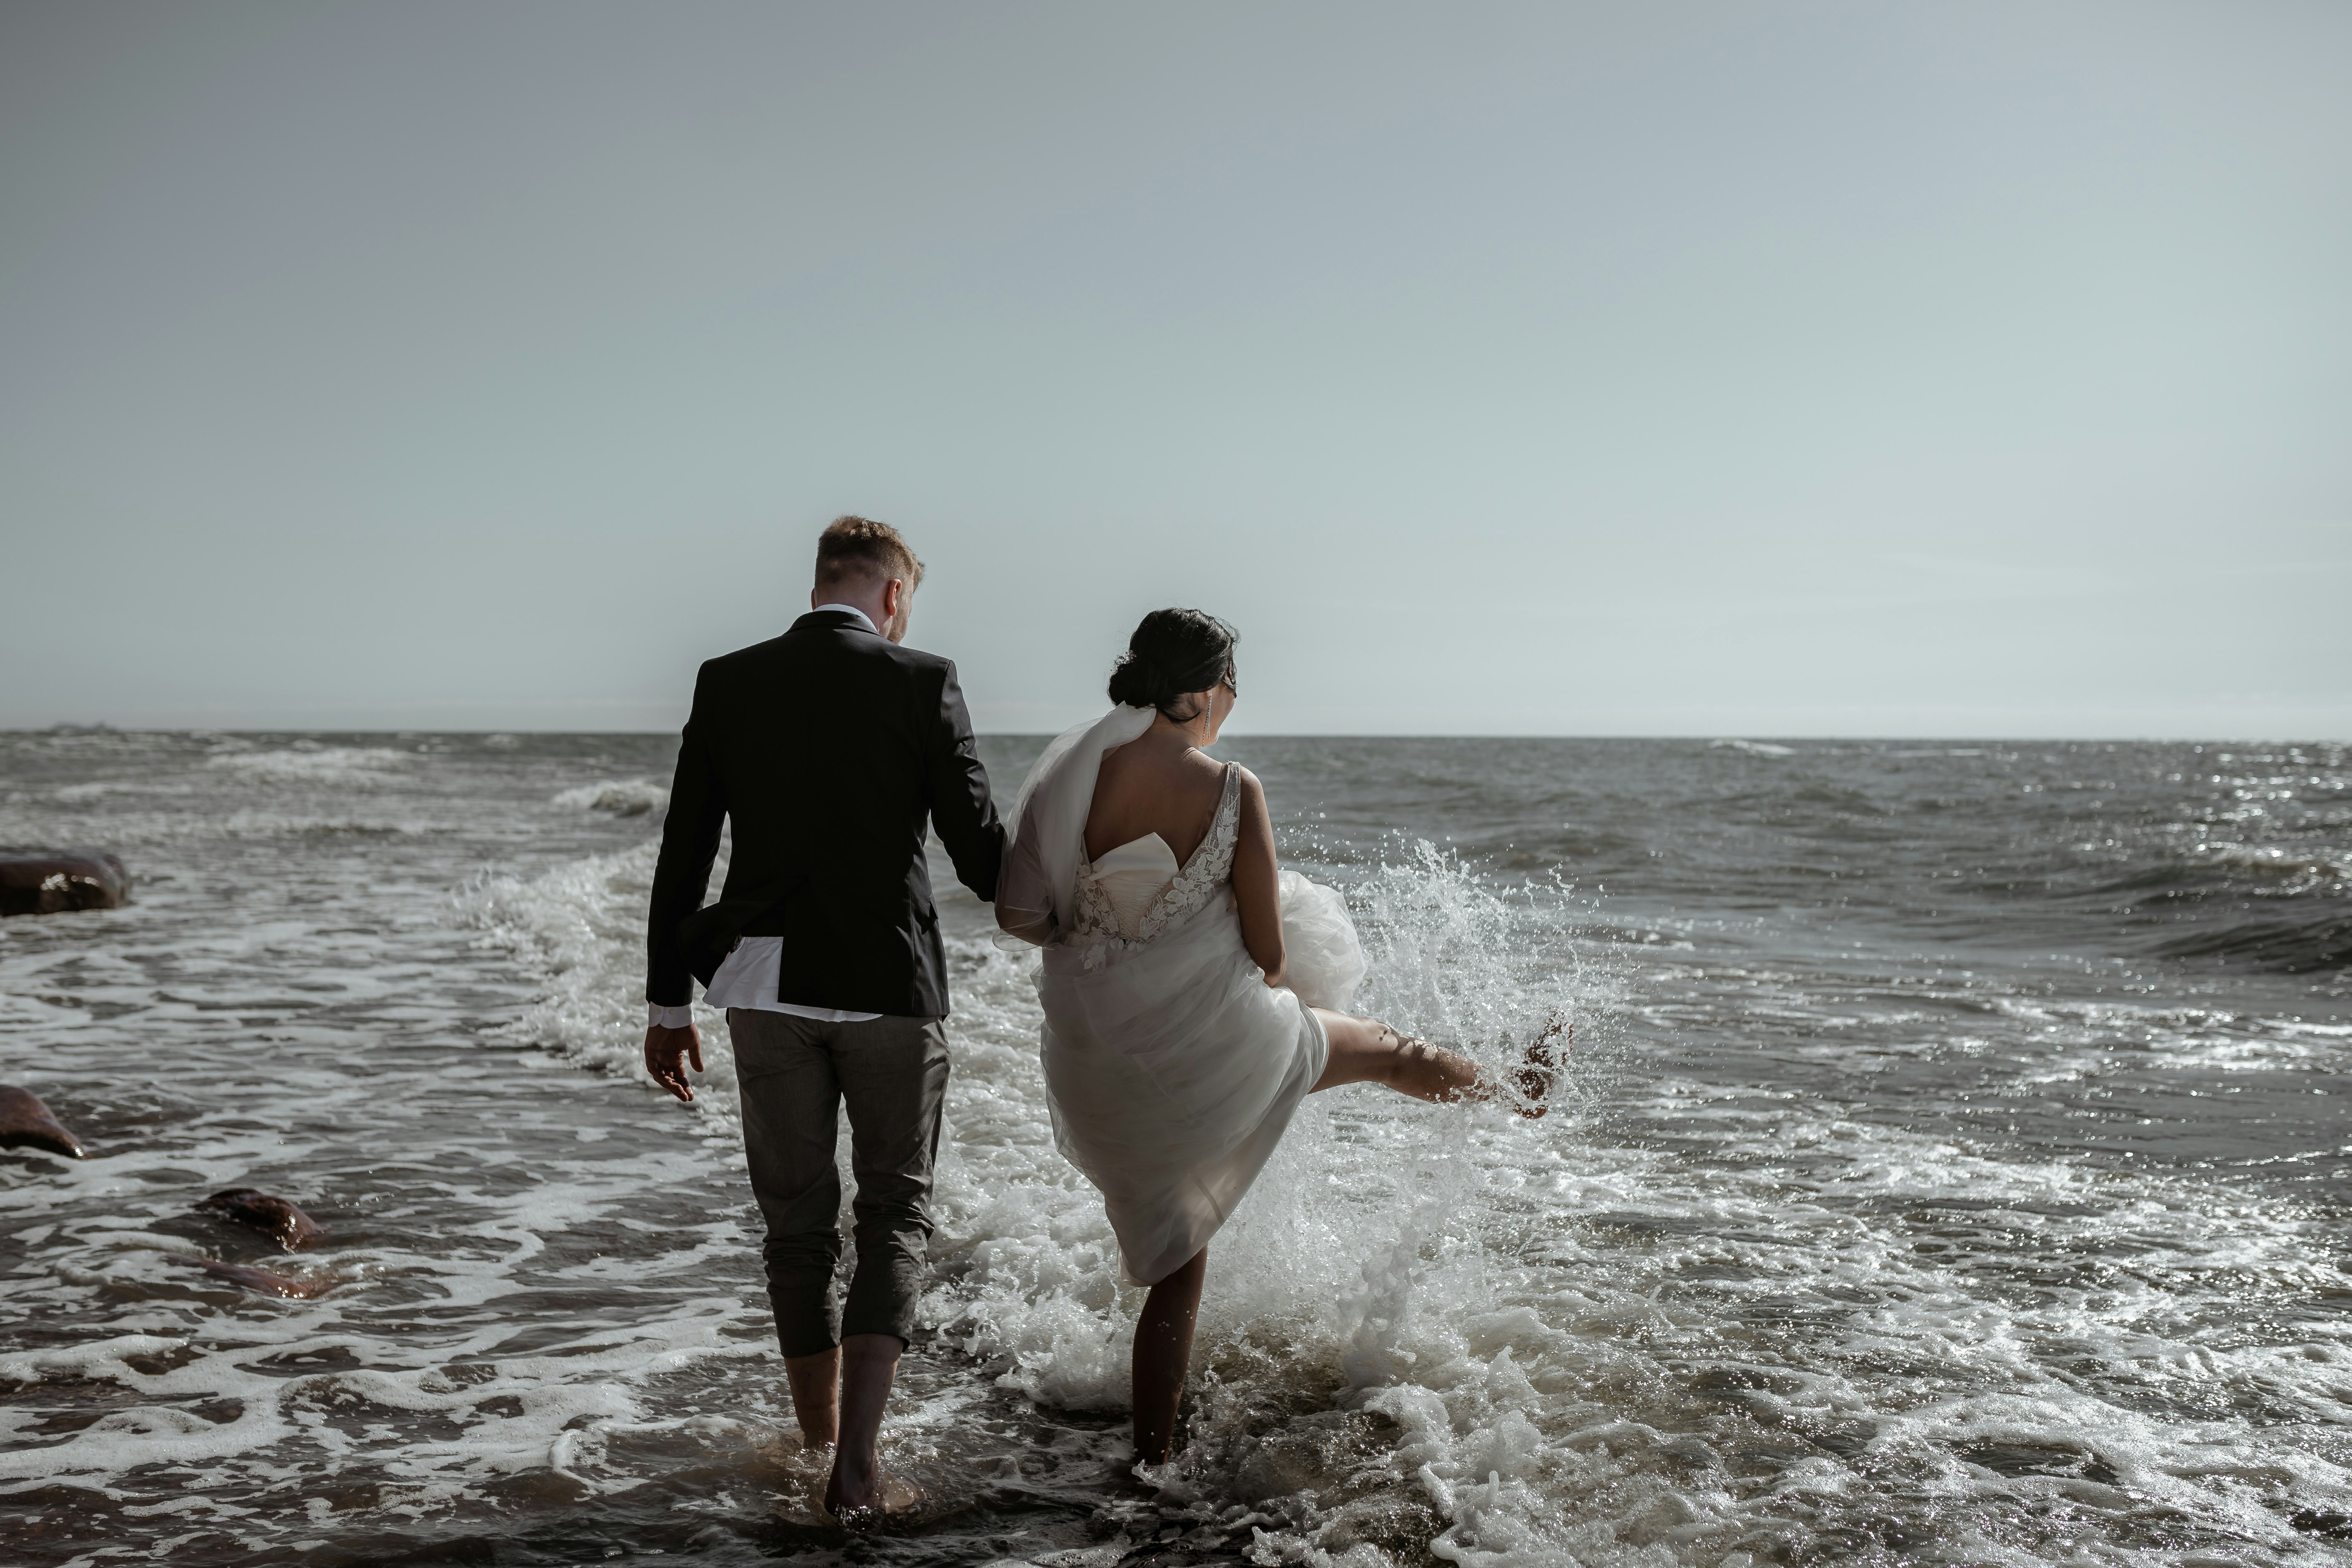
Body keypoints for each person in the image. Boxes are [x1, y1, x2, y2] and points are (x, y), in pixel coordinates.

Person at [995, 609, 1562, 1466]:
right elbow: (1268, 954)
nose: (1233, 699)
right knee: (1382, 1048)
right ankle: (1516, 1091)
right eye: (1231, 683)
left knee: (1175, 1260)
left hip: (1089, 1061)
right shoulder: (1227, 788)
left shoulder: (1073, 774)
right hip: (1206, 1051)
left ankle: (1151, 1461)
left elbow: (1027, 914)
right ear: (1202, 688)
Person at [642, 516, 1004, 1521]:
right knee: (894, 1211)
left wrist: (667, 1001)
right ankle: (860, 1461)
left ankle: (815, 1440)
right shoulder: (922, 678)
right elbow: (978, 851)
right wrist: (1072, 904)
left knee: (796, 1227)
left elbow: (684, 851)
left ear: (822, 585)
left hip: (762, 989)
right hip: (889, 984)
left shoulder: (729, 679)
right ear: (894, 595)